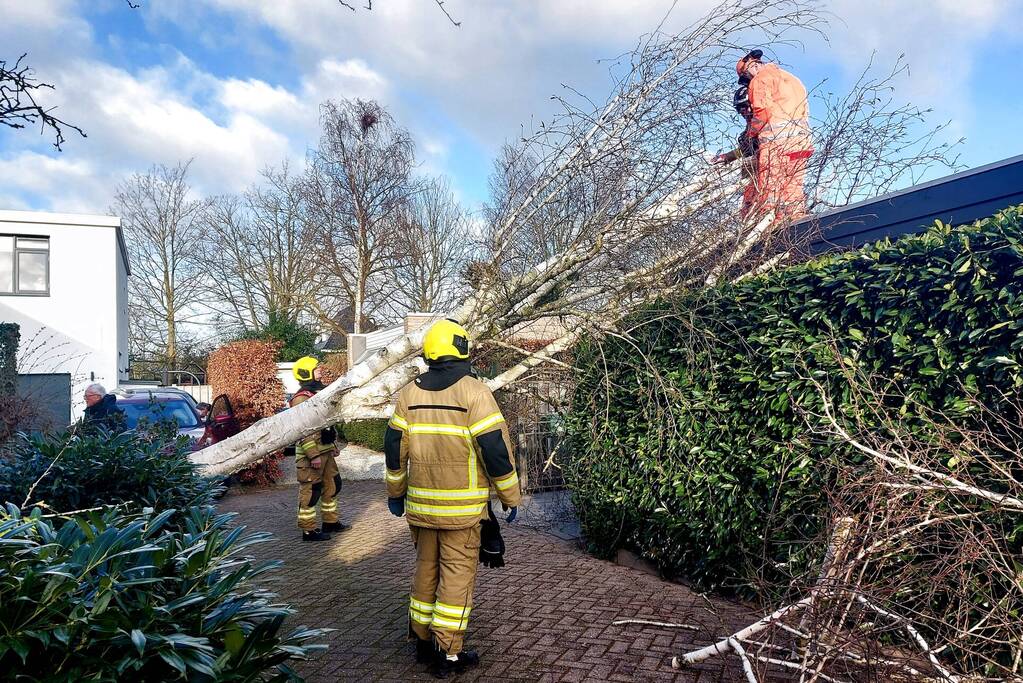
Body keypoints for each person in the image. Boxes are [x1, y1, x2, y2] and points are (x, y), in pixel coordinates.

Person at [384, 319, 522, 678]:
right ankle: (448, 654)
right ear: (461, 348)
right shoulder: (474, 392)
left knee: (425, 573)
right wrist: (510, 497)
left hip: (420, 511)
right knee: (456, 580)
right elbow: (494, 450)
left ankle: (421, 640)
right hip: (462, 513)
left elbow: (394, 449)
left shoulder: (409, 394)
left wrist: (396, 494)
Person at [736, 48, 813, 222]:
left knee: (770, 188)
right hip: (801, 141)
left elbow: (762, 112)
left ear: (752, 66)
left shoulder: (761, 80)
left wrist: (751, 135)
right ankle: (795, 222)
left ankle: (768, 225)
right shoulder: (792, 79)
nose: (747, 82)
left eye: (745, 77)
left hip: (776, 143)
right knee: (793, 187)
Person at [288, 356, 347, 542]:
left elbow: (325, 425)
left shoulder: (317, 394)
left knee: (332, 486)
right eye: (316, 369)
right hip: (310, 456)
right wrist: (312, 454)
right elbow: (302, 430)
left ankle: (330, 522)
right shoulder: (300, 399)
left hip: (326, 452)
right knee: (311, 492)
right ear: (306, 373)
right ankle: (308, 530)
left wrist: (333, 446)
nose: (320, 371)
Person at [712, 79, 761, 217]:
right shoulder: (750, 128)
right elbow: (745, 149)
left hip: (765, 174)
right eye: (739, 109)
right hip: (751, 177)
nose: (742, 113)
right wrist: (727, 157)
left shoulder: (765, 125)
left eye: (743, 107)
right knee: (747, 211)